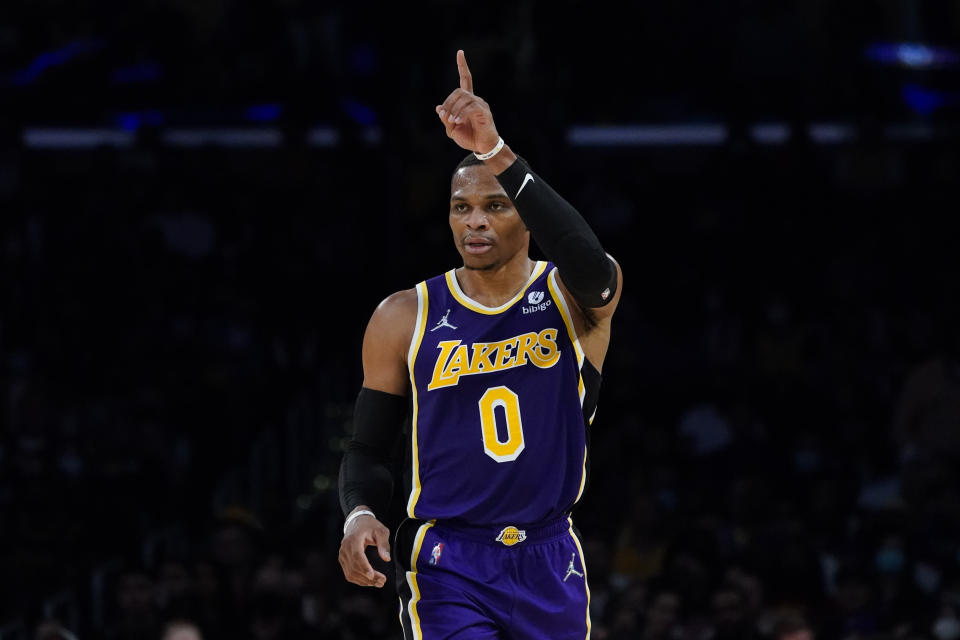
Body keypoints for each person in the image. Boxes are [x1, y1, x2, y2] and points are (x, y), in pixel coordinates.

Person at [337, 49, 623, 639]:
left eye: (496, 206)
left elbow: (594, 267)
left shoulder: (573, 296)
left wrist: (496, 150)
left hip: (549, 554)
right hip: (449, 561)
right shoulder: (403, 314)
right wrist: (360, 514)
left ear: (525, 215)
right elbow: (367, 447)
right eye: (461, 208)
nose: (476, 222)